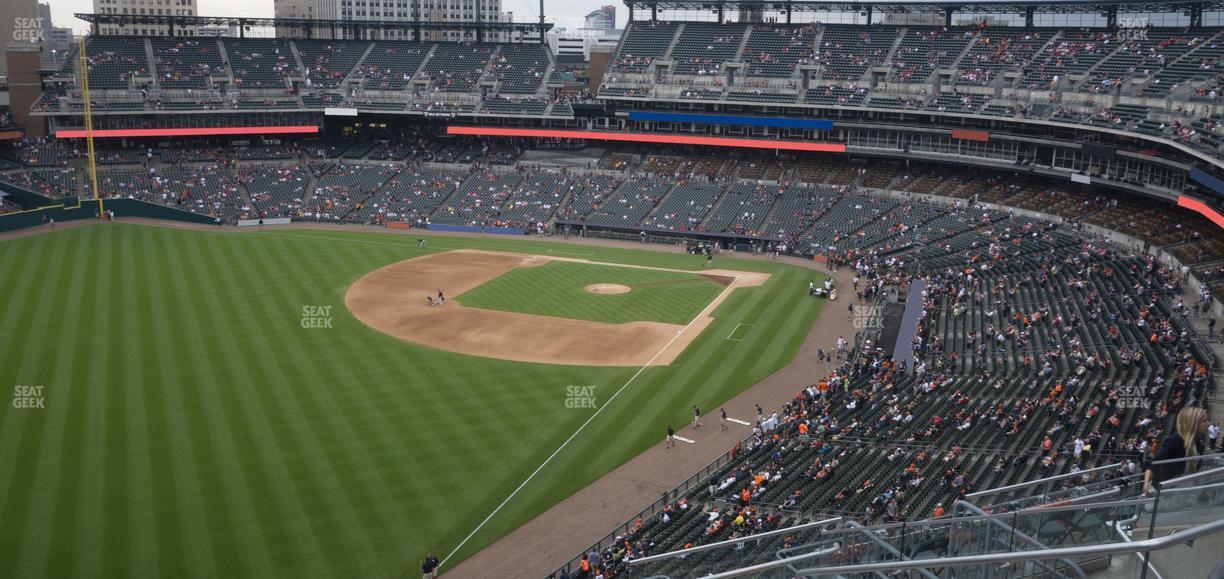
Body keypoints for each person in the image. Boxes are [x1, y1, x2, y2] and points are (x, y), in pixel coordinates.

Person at [1144, 406, 1210, 494]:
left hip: (1182, 489)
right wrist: (1146, 483)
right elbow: (1154, 464)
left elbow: (1193, 470)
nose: (1208, 423)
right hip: (1164, 491)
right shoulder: (1175, 439)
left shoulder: (1197, 441)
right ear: (1193, 423)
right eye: (1204, 421)